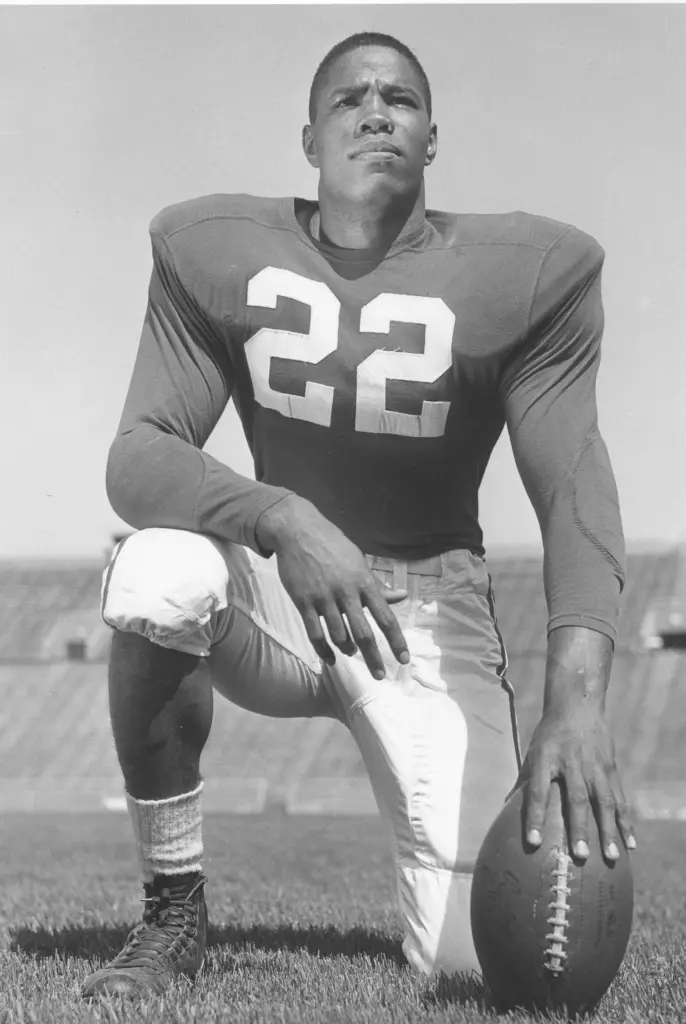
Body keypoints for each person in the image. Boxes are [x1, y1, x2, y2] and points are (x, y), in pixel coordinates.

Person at [82, 31, 635, 998]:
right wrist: (282, 518)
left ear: (432, 141)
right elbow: (139, 455)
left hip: (425, 615)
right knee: (157, 571)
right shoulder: (215, 250)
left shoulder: (531, 275)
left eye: (401, 100)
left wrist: (578, 708)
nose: (376, 110)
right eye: (351, 99)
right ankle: (174, 911)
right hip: (283, 595)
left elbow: (574, 490)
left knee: (479, 959)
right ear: (307, 138)